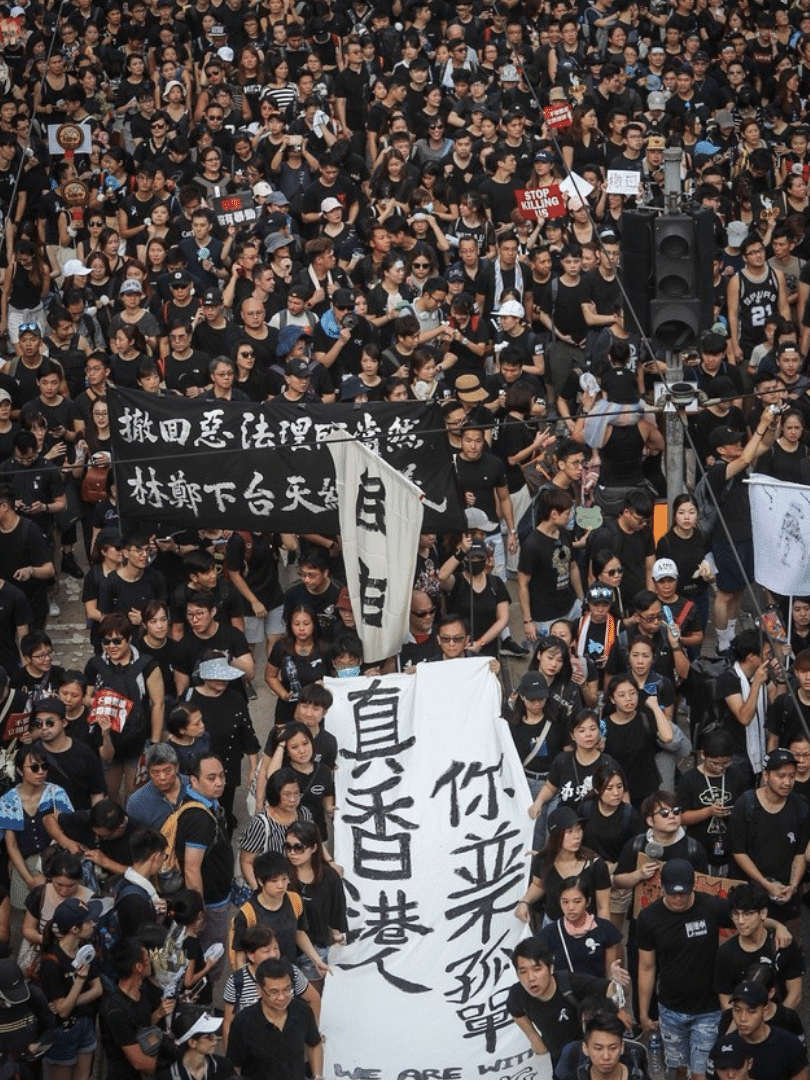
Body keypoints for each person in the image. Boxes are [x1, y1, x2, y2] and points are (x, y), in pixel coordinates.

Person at [637, 859, 734, 1080]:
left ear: (694, 886)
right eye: (673, 893)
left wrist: (777, 926)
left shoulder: (712, 906)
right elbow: (646, 967)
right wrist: (643, 1012)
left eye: (684, 893)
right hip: (670, 1009)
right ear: (662, 887)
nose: (678, 898)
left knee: (701, 1072)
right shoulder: (648, 918)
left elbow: (747, 918)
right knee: (678, 1069)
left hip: (708, 1010)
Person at [728, 748, 809, 930]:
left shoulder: (800, 806)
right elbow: (739, 852)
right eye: (780, 776)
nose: (787, 782)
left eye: (792, 776)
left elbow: (800, 853)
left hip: (786, 894)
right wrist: (765, 884)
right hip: (752, 893)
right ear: (766, 775)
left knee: (789, 941)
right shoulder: (746, 804)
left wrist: (794, 885)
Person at [506, 938, 614, 1070]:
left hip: (593, 1056)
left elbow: (610, 990)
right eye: (523, 971)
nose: (530, 978)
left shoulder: (571, 983)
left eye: (537, 969)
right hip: (560, 1060)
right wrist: (533, 1037)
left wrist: (618, 982)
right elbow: (516, 1012)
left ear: (550, 968)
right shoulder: (517, 994)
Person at [172, 755, 233, 983]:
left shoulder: (208, 804)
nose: (219, 782)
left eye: (221, 776)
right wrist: (199, 912)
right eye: (211, 777)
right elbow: (191, 867)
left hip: (217, 896)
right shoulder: (199, 819)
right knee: (210, 956)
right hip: (211, 903)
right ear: (194, 781)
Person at [225, 957, 323, 1080]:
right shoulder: (243, 1022)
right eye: (274, 992)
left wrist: (317, 1076)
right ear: (259, 990)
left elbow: (314, 1044)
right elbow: (234, 1066)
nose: (282, 997)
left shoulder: (302, 1012)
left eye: (287, 989)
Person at [38, 897, 103, 1080]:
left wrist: (69, 1001)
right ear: (74, 929)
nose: (93, 924)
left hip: (85, 1023)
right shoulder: (51, 963)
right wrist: (80, 981)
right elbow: (63, 1012)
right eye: (88, 921)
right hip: (63, 1031)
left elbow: (98, 990)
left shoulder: (85, 949)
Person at [516, 806, 611, 927]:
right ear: (556, 836)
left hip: (586, 927)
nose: (577, 836)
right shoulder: (543, 861)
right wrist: (525, 902)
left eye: (579, 829)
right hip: (552, 926)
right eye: (569, 831)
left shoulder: (596, 864)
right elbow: (538, 885)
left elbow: (603, 907)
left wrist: (604, 935)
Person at [715, 883, 804, 1010]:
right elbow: (725, 1001)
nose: (740, 921)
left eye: (747, 914)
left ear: (763, 913)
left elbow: (795, 995)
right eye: (736, 914)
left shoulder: (783, 943)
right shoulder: (725, 953)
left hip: (780, 1022)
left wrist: (778, 1023)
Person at [125, 743, 187, 830]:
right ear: (148, 772)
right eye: (155, 772)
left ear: (177, 767)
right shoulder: (137, 803)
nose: (162, 777)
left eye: (167, 771)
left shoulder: (195, 786)